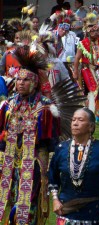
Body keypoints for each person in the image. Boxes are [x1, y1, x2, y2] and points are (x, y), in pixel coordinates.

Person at [0, 45, 60, 225]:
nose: (20, 83)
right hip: (10, 158)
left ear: (34, 83)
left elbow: (52, 139)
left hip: (33, 159)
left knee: (29, 198)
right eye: (18, 79)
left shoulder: (45, 107)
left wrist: (51, 162)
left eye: (26, 80)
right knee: (9, 194)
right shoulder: (7, 105)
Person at [49, 107, 99, 225]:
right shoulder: (61, 149)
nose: (75, 123)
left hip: (97, 212)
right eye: (73, 120)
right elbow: (53, 177)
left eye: (80, 120)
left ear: (91, 127)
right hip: (67, 211)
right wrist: (55, 199)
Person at [74, 13, 99, 117]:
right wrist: (75, 71)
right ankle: (91, 111)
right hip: (86, 69)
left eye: (96, 30)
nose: (95, 32)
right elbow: (77, 58)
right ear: (87, 31)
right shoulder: (83, 43)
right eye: (92, 30)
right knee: (93, 89)